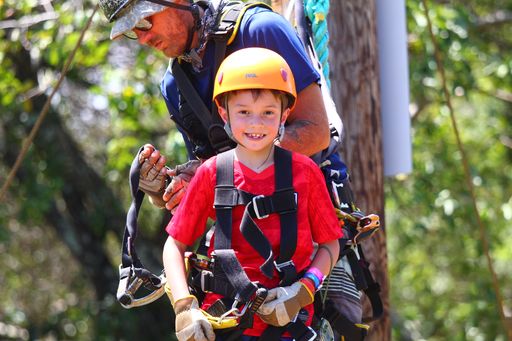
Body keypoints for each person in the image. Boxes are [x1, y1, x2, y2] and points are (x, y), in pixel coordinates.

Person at [99, 0, 373, 339]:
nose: (142, 37)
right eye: (131, 32)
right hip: (242, 251)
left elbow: (316, 132)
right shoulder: (176, 86)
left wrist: (304, 288)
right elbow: (216, 190)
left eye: (145, 21)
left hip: (311, 225)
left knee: (339, 322)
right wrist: (172, 188)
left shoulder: (260, 30)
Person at [163, 46, 341, 341]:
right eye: (244, 112)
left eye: (267, 113)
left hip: (289, 324)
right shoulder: (211, 174)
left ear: (285, 114)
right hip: (223, 322)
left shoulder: (305, 173)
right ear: (224, 112)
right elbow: (174, 245)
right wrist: (184, 306)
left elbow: (330, 245)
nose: (256, 123)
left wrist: (304, 289)